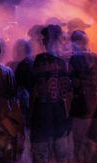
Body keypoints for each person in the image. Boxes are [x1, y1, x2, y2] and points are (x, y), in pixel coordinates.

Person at [29, 24, 72, 163]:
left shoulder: (37, 61)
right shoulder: (62, 62)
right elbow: (68, 94)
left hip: (41, 120)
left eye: (44, 39)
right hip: (58, 119)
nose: (43, 41)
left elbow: (33, 93)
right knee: (62, 159)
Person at [67, 30, 97, 163]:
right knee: (93, 153)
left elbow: (69, 88)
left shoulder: (73, 59)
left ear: (77, 43)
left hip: (80, 113)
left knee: (79, 151)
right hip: (96, 114)